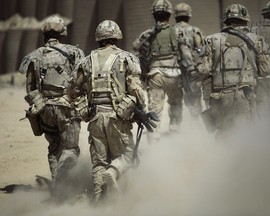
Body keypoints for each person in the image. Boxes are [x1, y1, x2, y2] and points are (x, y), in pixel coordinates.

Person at [68, 20, 152, 203]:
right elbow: (136, 89)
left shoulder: (86, 61)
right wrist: (142, 111)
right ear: (116, 38)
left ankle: (100, 205)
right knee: (127, 156)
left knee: (98, 163)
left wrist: (85, 107)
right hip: (118, 119)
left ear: (98, 39)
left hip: (95, 119)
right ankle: (112, 173)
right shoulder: (127, 58)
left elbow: (72, 91)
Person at [18, 15, 85, 200]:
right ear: (63, 33)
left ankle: (57, 189)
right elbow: (82, 81)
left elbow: (30, 89)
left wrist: (41, 104)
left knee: (54, 147)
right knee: (70, 149)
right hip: (67, 109)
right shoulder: (74, 53)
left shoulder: (33, 56)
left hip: (45, 110)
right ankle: (65, 189)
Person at [196, 3, 270, 137]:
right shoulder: (257, 40)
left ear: (227, 20)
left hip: (219, 98)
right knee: (245, 135)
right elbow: (266, 70)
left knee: (223, 134)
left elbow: (203, 70)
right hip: (245, 96)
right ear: (245, 20)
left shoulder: (211, 39)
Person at [132, 0, 193, 143]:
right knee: (176, 105)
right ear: (169, 15)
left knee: (155, 109)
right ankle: (175, 132)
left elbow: (135, 52)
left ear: (154, 15)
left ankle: (153, 141)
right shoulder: (178, 31)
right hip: (175, 76)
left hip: (155, 76)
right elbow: (186, 54)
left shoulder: (147, 34)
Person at [174, 2, 205, 119]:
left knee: (175, 99)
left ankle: (176, 123)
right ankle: (195, 121)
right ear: (189, 15)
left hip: (175, 69)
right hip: (191, 69)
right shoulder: (194, 30)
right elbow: (201, 49)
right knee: (194, 96)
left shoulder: (172, 30)